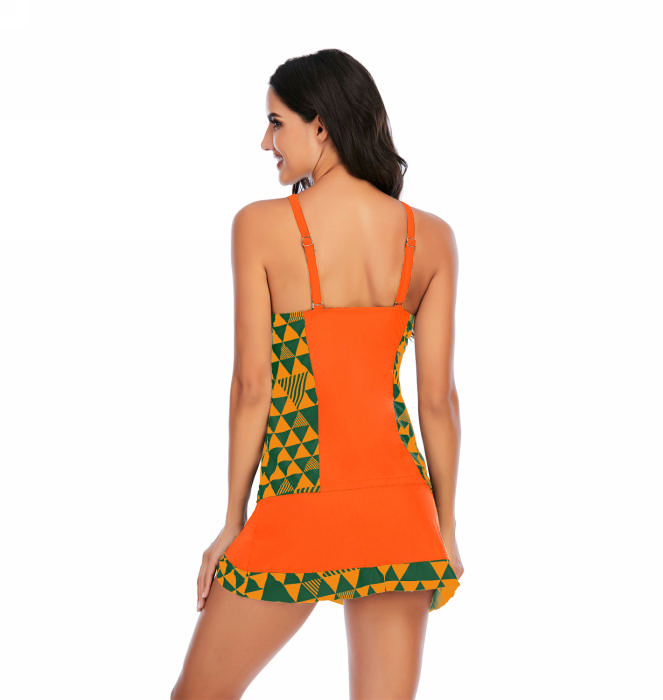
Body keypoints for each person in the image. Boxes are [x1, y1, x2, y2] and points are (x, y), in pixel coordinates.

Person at [171, 48, 464, 700]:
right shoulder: (432, 237)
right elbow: (438, 402)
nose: (265, 141)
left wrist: (232, 520)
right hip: (400, 512)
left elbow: (253, 387)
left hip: (298, 498)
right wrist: (444, 526)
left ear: (321, 126)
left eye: (276, 123)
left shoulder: (259, 226)